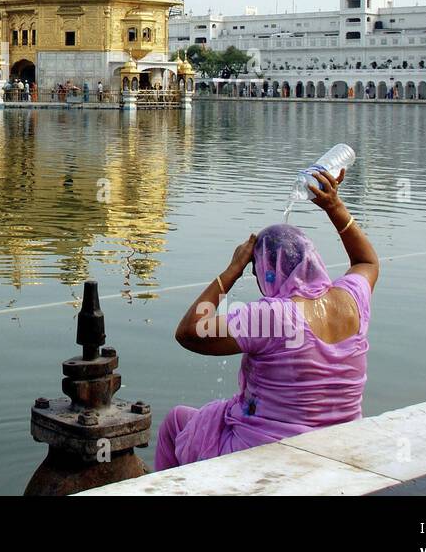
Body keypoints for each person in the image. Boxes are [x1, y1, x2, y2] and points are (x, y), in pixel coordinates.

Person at [156, 169, 378, 470]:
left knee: (175, 422)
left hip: (268, 454)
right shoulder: (352, 298)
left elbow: (189, 333)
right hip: (341, 444)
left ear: (266, 273)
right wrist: (334, 207)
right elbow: (366, 261)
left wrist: (232, 270)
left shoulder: (274, 317)